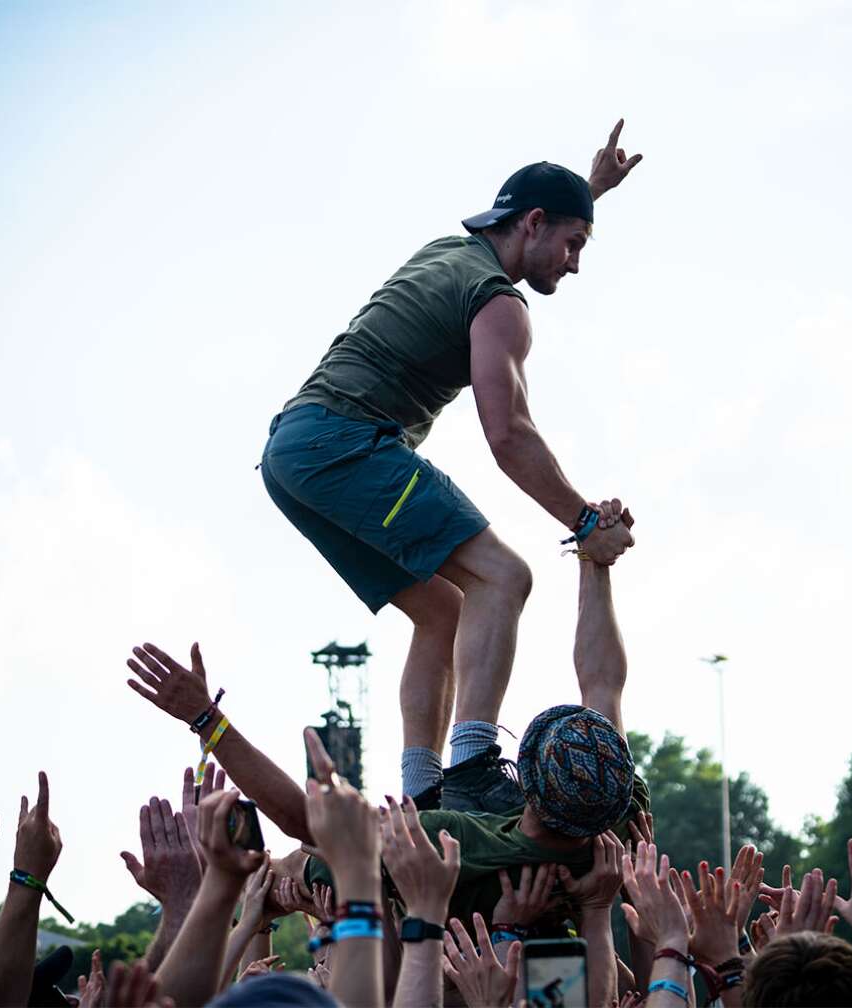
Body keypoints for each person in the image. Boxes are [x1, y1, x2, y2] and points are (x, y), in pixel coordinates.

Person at [258, 122, 645, 812]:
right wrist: (585, 521)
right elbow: (509, 435)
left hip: (291, 452)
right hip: (346, 441)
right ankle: (471, 769)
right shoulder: (500, 302)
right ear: (532, 224)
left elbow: (538, 218)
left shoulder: (451, 252)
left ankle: (422, 792)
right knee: (504, 576)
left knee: (445, 608)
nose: (576, 263)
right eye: (574, 244)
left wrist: (589, 193)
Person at [124, 503, 647, 926]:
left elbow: (302, 820)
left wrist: (207, 720)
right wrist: (594, 561)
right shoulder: (614, 829)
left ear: (527, 777)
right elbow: (603, 682)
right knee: (444, 619)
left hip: (407, 884)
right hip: (478, 859)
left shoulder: (453, 843)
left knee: (287, 874)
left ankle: (219, 906)